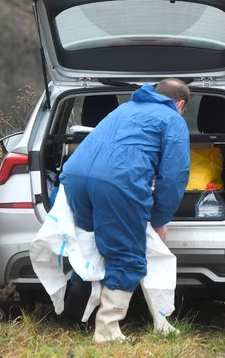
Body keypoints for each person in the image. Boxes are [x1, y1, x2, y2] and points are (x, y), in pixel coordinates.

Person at [60, 78, 191, 343]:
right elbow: (174, 176)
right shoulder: (172, 119)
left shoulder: (124, 108)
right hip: (117, 181)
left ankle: (74, 311)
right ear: (179, 104)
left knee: (93, 246)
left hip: (74, 176)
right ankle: (107, 330)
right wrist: (159, 218)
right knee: (126, 254)